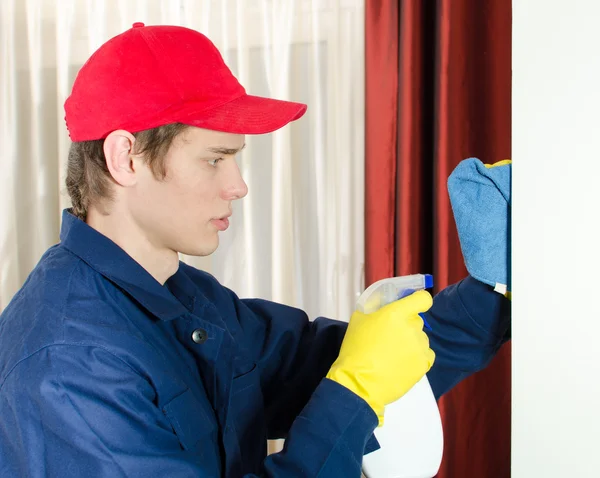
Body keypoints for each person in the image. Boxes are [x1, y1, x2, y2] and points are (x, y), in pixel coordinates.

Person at [0, 23, 511, 478]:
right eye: (215, 159)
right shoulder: (68, 365)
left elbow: (342, 362)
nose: (239, 186)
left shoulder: (184, 295)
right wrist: (354, 392)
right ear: (125, 157)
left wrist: (492, 286)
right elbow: (354, 380)